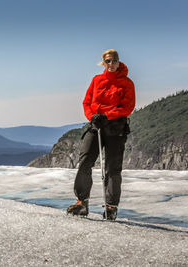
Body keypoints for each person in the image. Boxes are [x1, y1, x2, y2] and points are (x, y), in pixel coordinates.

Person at [67, 49, 135, 220]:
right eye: (108, 61)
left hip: (115, 128)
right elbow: (87, 102)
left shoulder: (127, 83)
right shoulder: (97, 80)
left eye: (114, 61)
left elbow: (127, 107)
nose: (111, 64)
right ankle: (82, 202)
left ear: (119, 62)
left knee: (113, 168)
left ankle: (111, 207)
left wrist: (107, 116)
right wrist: (92, 117)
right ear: (103, 63)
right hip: (96, 126)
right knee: (85, 161)